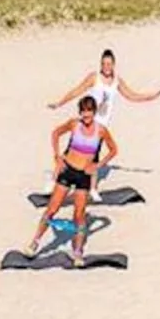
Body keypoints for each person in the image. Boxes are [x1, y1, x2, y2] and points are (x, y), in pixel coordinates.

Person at [48, 49, 160, 201]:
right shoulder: (94, 77)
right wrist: (60, 103)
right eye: (104, 64)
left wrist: (150, 97)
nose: (106, 66)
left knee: (93, 156)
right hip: (87, 120)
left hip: (101, 126)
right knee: (70, 152)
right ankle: (52, 182)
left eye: (109, 64)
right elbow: (77, 91)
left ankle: (93, 188)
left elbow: (132, 95)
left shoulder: (117, 82)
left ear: (114, 65)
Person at [24, 96, 120, 267]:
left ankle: (77, 251)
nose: (86, 118)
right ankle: (35, 242)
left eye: (89, 114)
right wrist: (57, 157)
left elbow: (114, 150)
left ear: (94, 113)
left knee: (79, 215)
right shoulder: (74, 124)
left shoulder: (101, 130)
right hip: (68, 170)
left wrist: (98, 166)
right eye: (83, 114)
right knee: (52, 208)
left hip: (84, 174)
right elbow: (55, 133)